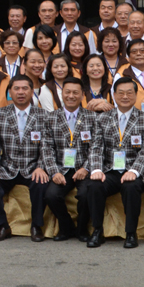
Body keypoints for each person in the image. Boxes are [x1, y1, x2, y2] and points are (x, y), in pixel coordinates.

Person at [85, 77, 144, 248]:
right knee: (94, 185)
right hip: (110, 170)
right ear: (114, 95)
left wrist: (135, 171)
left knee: (131, 187)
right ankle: (97, 230)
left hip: (132, 169)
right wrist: (96, 169)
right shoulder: (102, 119)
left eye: (129, 93)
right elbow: (96, 147)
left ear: (136, 95)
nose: (125, 96)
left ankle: (130, 233)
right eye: (121, 93)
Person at [0, 75, 50, 242]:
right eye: (16, 89)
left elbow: (47, 145)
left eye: (25, 88)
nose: (20, 92)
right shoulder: (0, 114)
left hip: (32, 167)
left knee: (41, 184)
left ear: (32, 92)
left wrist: (41, 166)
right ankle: (2, 226)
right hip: (7, 167)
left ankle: (36, 226)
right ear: (10, 92)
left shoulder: (44, 115)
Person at [40, 78, 94, 243]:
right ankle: (66, 227)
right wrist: (54, 172)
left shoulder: (92, 117)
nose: (71, 96)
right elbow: (46, 148)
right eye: (67, 92)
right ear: (61, 94)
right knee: (51, 195)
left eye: (75, 92)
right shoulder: (50, 118)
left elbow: (97, 147)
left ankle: (82, 228)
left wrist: (86, 168)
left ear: (82, 95)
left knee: (86, 194)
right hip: (61, 168)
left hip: (83, 168)